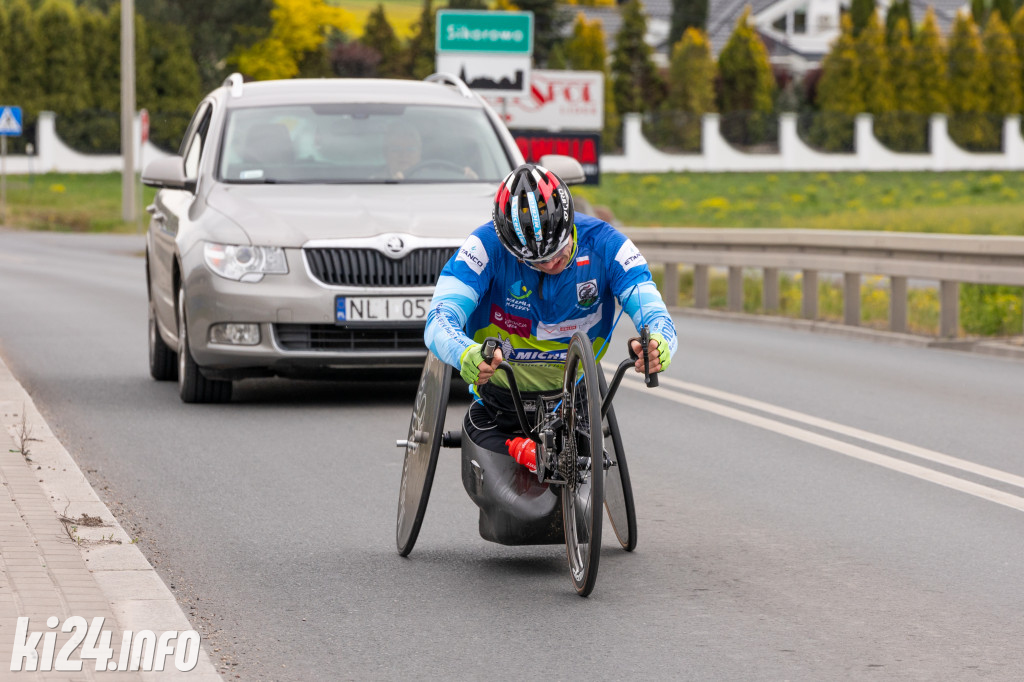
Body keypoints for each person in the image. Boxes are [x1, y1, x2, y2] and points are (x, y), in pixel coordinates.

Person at [425, 163, 677, 460]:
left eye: (559, 250)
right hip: (501, 401)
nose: (550, 263)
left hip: (572, 396)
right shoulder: (484, 245)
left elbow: (656, 315)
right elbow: (439, 317)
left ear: (570, 221)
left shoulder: (609, 245)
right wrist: (464, 352)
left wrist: (658, 344)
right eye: (534, 260)